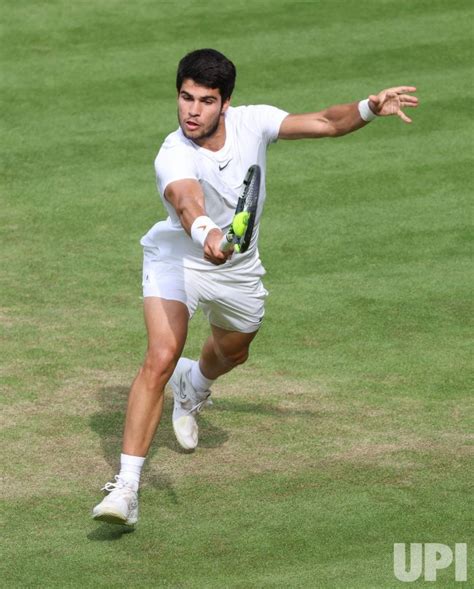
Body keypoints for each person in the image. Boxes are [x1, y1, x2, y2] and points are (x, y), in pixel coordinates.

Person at [92, 48, 418, 525]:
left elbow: (327, 122)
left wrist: (369, 107)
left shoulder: (254, 122)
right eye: (185, 98)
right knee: (161, 354)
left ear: (225, 104)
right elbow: (186, 202)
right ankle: (125, 488)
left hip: (238, 269)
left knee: (234, 351)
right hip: (177, 259)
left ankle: (194, 384)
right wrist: (208, 235)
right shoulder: (172, 152)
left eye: (205, 101)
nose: (192, 111)